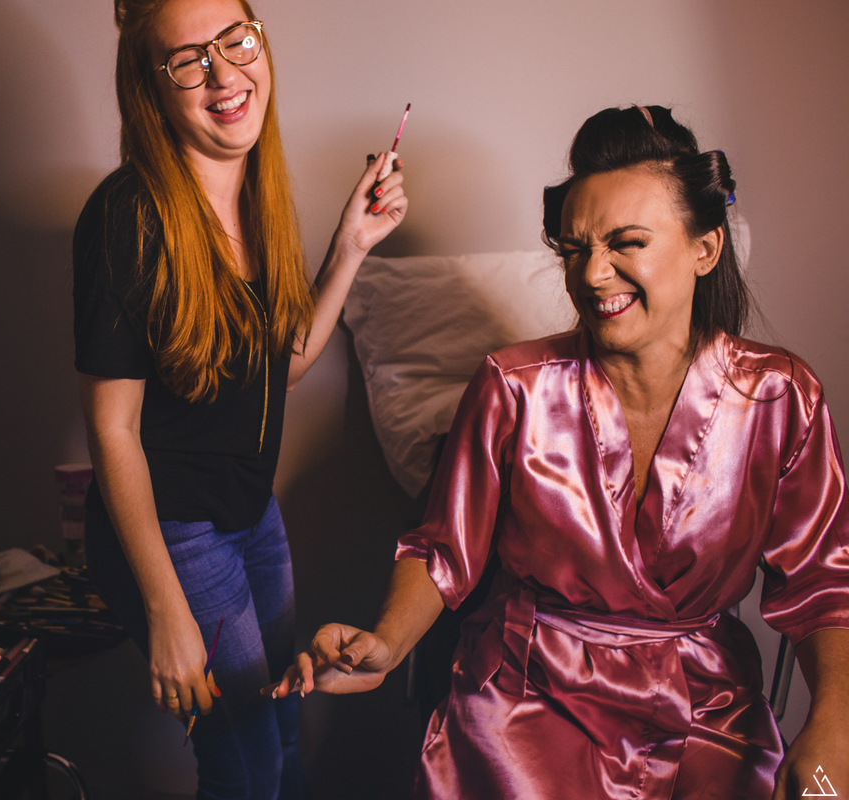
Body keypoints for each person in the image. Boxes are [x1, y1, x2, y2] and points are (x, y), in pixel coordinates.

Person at [272, 105, 849, 799]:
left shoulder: (780, 397)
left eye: (625, 242)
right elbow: (443, 550)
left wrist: (835, 729)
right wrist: (388, 645)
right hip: (526, 702)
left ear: (705, 248)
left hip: (707, 712)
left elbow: (824, 585)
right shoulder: (512, 388)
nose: (593, 275)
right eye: (574, 250)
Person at [72, 0, 407, 796]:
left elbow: (279, 365)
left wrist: (349, 246)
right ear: (152, 87)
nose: (224, 73)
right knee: (246, 763)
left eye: (236, 40)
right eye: (189, 59)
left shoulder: (256, 194)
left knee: (282, 734)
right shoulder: (126, 216)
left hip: (251, 513)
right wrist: (165, 609)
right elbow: (112, 431)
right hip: (176, 530)